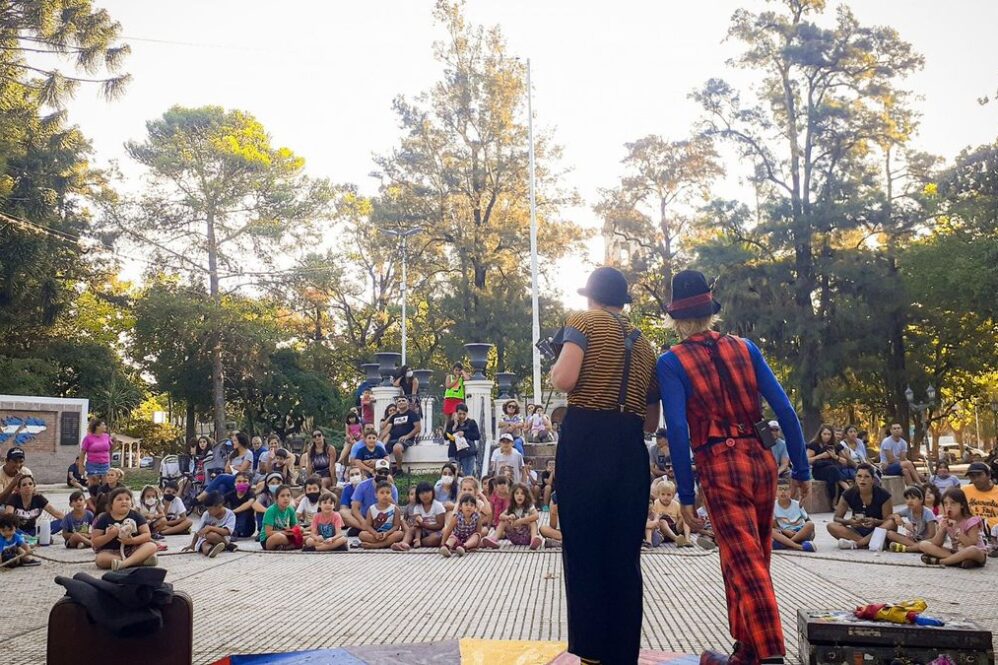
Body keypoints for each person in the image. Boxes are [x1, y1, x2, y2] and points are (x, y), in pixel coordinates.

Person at [657, 269, 810, 665]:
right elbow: (785, 409)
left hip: (719, 466)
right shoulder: (746, 348)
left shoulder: (672, 362)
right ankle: (746, 651)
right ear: (711, 312)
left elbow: (676, 428)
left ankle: (772, 655)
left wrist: (686, 493)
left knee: (747, 564)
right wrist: (801, 468)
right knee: (742, 558)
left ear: (676, 318)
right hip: (760, 462)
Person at [550, 266, 660, 665]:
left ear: (592, 297)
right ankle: (622, 656)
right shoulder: (645, 344)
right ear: (622, 301)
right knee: (624, 556)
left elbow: (564, 379)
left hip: (586, 442)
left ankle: (590, 654)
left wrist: (553, 366)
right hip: (629, 448)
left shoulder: (583, 322)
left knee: (583, 551)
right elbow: (651, 421)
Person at [827, 463, 893, 550]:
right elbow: (837, 518)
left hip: (877, 531)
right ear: (855, 478)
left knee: (892, 522)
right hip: (857, 531)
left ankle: (859, 544)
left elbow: (887, 521)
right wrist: (849, 522)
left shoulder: (884, 495)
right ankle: (870, 544)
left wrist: (875, 522)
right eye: (859, 476)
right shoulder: (848, 494)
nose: (862, 479)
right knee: (831, 526)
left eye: (866, 476)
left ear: (873, 480)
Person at [91, 487, 159, 570]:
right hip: (111, 552)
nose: (124, 501)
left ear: (132, 502)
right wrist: (109, 536)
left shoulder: (136, 515)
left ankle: (124, 564)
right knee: (100, 559)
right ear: (111, 504)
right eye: (119, 499)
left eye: (127, 499)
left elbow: (147, 535)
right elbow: (95, 542)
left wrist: (132, 541)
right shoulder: (104, 518)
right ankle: (139, 561)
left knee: (152, 546)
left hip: (133, 550)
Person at [918, 488, 988, 568]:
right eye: (945, 503)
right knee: (923, 545)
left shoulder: (971, 521)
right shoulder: (944, 520)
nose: (949, 507)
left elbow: (972, 544)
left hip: (976, 553)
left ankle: (942, 561)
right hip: (956, 552)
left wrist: (957, 530)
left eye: (953, 503)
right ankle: (958, 561)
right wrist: (942, 529)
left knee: (972, 550)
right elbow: (937, 543)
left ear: (962, 505)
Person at [483, 482, 542, 550]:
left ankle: (533, 539)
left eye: (522, 494)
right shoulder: (511, 507)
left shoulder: (529, 506)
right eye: (517, 493)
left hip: (527, 537)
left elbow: (536, 515)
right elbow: (501, 516)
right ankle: (494, 538)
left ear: (526, 496)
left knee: (533, 522)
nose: (519, 496)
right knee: (503, 522)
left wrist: (521, 521)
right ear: (513, 495)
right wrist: (508, 517)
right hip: (514, 536)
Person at [885, 485, 937, 553]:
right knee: (889, 533)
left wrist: (921, 541)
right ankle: (916, 547)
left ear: (921, 499)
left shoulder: (928, 513)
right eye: (907, 498)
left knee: (929, 542)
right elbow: (889, 516)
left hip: (926, 540)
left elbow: (932, 534)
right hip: (914, 540)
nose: (909, 501)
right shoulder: (908, 510)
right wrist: (896, 517)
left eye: (913, 498)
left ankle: (909, 548)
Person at [350, 460, 399, 532]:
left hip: (385, 521)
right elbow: (354, 509)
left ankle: (372, 541)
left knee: (398, 534)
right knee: (344, 514)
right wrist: (364, 523)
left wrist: (388, 495)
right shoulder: (362, 485)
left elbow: (396, 510)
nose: (383, 475)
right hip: (366, 518)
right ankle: (365, 528)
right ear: (374, 472)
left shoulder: (392, 488)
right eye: (380, 472)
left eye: (385, 473)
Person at [183, 491, 235, 558]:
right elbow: (198, 531)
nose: (208, 512)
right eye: (207, 509)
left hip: (221, 538)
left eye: (210, 509)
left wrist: (211, 528)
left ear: (219, 506)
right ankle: (211, 550)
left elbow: (227, 532)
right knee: (205, 546)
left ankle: (225, 545)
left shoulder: (230, 514)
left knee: (211, 535)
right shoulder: (206, 514)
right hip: (205, 539)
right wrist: (192, 545)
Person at [962, 461, 998, 555]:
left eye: (979, 475)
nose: (976, 479)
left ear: (989, 475)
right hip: (973, 530)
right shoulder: (964, 490)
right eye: (972, 476)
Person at [807, 424, 848, 504]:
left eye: (829, 434)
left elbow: (845, 462)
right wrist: (820, 456)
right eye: (824, 434)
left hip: (834, 469)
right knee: (833, 469)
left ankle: (837, 499)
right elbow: (807, 461)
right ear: (820, 434)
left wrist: (835, 456)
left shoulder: (836, 445)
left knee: (833, 470)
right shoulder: (814, 444)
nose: (827, 436)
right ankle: (847, 490)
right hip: (819, 470)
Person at [771, 479, 816, 552]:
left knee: (810, 524)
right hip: (784, 533)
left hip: (800, 532)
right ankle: (799, 546)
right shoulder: (772, 506)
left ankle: (786, 544)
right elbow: (775, 527)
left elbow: (808, 521)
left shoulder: (797, 504)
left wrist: (811, 532)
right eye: (780, 489)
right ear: (775, 492)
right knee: (771, 531)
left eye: (786, 489)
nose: (783, 492)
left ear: (790, 491)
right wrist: (785, 531)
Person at [360, 480, 406, 551]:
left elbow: (396, 526)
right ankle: (386, 543)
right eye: (382, 493)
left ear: (391, 494)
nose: (385, 495)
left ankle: (375, 545)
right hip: (376, 535)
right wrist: (375, 534)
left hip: (389, 534)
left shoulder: (395, 509)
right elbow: (368, 526)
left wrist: (387, 533)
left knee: (400, 534)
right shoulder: (371, 509)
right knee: (362, 534)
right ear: (376, 495)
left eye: (388, 493)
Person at [385, 396, 422, 475]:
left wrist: (407, 436)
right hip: (392, 439)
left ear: (407, 403)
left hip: (407, 440)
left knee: (397, 448)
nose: (401, 402)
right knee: (381, 450)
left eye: (403, 400)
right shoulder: (395, 416)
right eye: (399, 401)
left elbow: (418, 428)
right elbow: (387, 429)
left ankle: (399, 470)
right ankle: (387, 470)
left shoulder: (412, 414)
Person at [405, 482, 445, 550]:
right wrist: (417, 537)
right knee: (411, 530)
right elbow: (417, 525)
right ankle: (404, 543)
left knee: (437, 538)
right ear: (418, 495)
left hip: (434, 531)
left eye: (427, 492)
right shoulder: (417, 507)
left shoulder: (438, 506)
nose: (425, 495)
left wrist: (423, 525)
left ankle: (418, 542)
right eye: (422, 493)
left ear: (432, 492)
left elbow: (440, 525)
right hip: (421, 532)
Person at [439, 493, 482, 557]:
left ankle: (463, 547)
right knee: (452, 537)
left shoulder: (477, 517)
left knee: (476, 536)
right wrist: (442, 543)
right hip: (457, 538)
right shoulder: (457, 517)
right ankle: (446, 547)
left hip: (469, 540)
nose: (469, 507)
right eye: (466, 504)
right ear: (460, 507)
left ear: (475, 508)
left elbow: (478, 532)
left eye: (472, 505)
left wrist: (477, 546)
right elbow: (448, 530)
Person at [651, 481, 691, 547]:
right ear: (658, 495)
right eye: (663, 494)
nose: (666, 497)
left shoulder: (676, 504)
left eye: (668, 494)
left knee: (685, 516)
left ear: (673, 495)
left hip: (675, 529)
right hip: (662, 532)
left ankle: (687, 539)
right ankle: (676, 539)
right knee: (662, 521)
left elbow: (680, 519)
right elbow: (653, 518)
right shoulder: (656, 503)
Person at [259, 485, 300, 551]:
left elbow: (294, 527)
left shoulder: (291, 509)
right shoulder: (271, 510)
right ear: (276, 498)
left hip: (286, 535)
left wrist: (295, 530)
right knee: (279, 537)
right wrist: (284, 532)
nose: (286, 498)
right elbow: (268, 532)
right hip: (268, 539)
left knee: (304, 535)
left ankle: (288, 546)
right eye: (282, 496)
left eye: (288, 495)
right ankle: (294, 545)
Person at [445, 403, 481, 477]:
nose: (461, 416)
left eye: (464, 414)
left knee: (467, 475)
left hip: (468, 453)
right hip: (454, 453)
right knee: (453, 475)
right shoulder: (452, 423)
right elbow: (446, 436)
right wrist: (455, 426)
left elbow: (477, 436)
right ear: (456, 413)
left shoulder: (471, 423)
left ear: (466, 413)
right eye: (459, 414)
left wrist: (465, 434)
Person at [79, 418, 113, 487]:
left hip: (105, 464)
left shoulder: (106, 436)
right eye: (103, 425)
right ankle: (94, 497)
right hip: (93, 465)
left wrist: (114, 443)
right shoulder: (88, 438)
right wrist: (81, 466)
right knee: (94, 487)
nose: (105, 426)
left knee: (106, 486)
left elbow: (111, 448)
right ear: (97, 426)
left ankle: (104, 497)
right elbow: (83, 453)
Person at [224, 471, 256, 540]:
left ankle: (235, 532)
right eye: (239, 481)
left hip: (248, 528)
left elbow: (249, 503)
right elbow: (220, 503)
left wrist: (232, 512)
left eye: (245, 481)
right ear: (234, 483)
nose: (242, 483)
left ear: (249, 483)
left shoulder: (250, 493)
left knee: (245, 511)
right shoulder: (231, 494)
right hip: (233, 524)